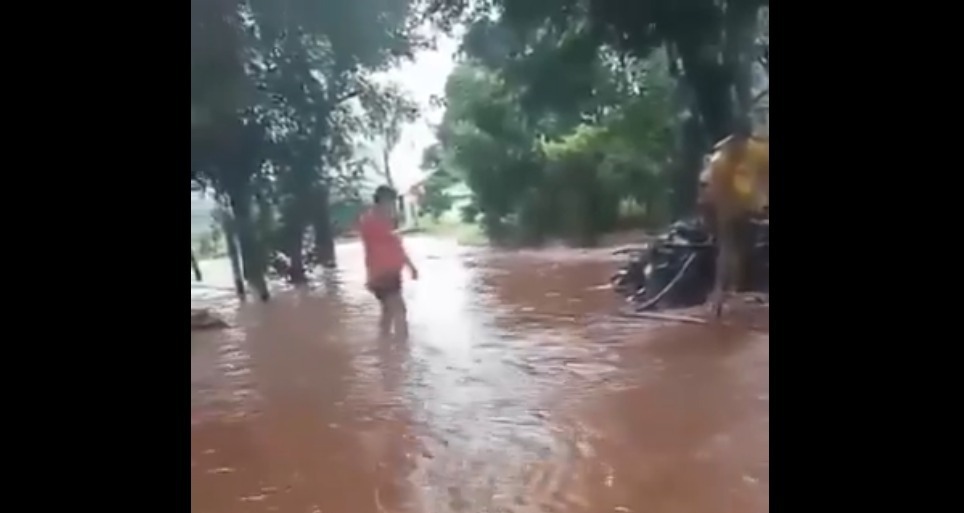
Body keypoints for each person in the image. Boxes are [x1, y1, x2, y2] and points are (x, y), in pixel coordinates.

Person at [358, 185, 419, 337]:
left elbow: (396, 248)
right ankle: (403, 353)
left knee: (388, 313)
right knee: (399, 311)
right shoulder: (372, 221)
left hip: (388, 274)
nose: (393, 206)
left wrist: (410, 267)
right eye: (391, 202)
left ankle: (384, 348)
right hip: (382, 275)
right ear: (383, 201)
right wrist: (410, 267)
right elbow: (391, 246)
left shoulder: (381, 221)